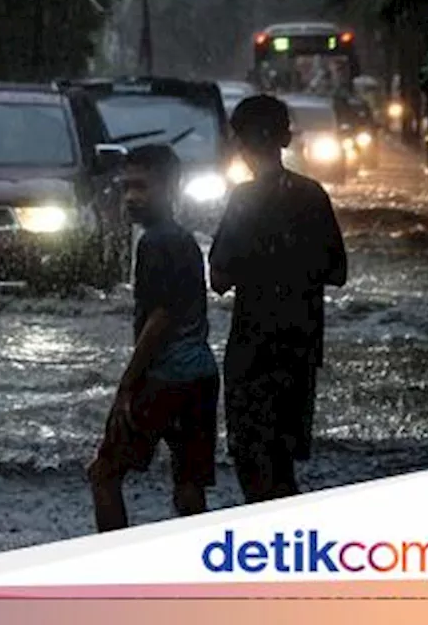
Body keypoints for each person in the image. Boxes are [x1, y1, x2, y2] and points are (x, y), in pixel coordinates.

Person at [209, 94, 348, 504]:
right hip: (300, 348)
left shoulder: (244, 200)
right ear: (285, 138)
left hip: (253, 348)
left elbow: (218, 277)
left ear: (242, 142)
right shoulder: (313, 195)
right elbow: (338, 272)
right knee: (283, 461)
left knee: (252, 459)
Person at [87, 144, 221, 532]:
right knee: (189, 486)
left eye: (142, 187)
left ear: (170, 188)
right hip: (200, 376)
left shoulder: (155, 243)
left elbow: (160, 318)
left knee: (104, 473)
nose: (131, 197)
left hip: (165, 378)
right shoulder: (183, 239)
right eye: (126, 187)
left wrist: (127, 384)